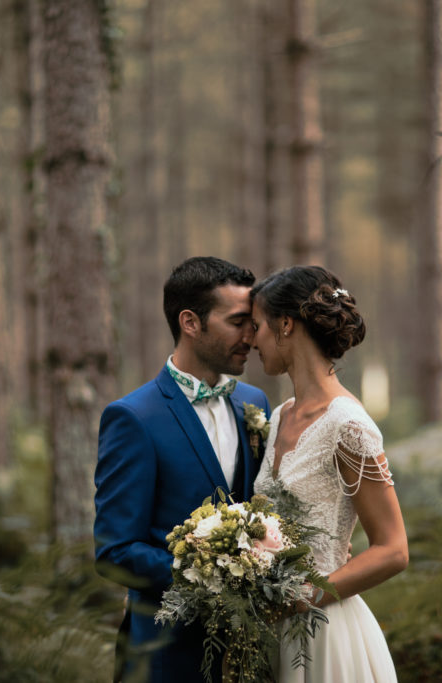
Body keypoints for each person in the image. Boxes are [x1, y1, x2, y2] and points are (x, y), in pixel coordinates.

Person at [94, 256, 272, 683]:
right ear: (190, 322)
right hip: (164, 653)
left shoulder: (255, 404)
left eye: (254, 323)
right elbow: (114, 552)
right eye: (238, 322)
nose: (253, 336)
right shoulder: (133, 417)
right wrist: (208, 576)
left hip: (250, 651)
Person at [250, 265, 408, 682]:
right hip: (269, 634)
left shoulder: (348, 426)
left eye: (256, 326)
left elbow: (393, 549)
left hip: (325, 634)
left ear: (285, 325)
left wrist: (303, 597)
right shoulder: (280, 415)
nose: (251, 341)